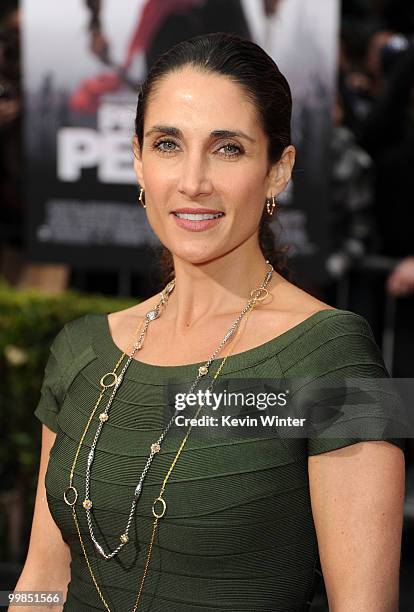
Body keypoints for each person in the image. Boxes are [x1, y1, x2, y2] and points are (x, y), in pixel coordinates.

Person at [15, 33, 406, 611]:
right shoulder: (81, 350)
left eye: (228, 149)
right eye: (168, 144)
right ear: (138, 161)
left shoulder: (336, 355)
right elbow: (42, 578)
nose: (193, 180)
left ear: (278, 171)